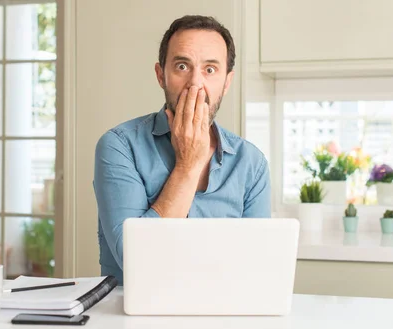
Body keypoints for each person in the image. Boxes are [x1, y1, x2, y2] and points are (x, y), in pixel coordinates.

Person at [93, 15, 271, 285]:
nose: (195, 84)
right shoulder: (119, 146)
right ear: (160, 75)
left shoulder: (252, 164)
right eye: (182, 66)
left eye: (210, 69)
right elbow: (137, 263)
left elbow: (256, 271)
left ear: (227, 81)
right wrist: (188, 165)